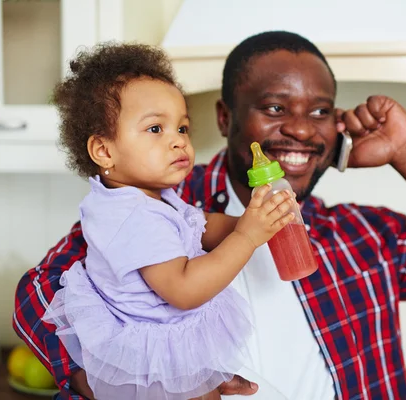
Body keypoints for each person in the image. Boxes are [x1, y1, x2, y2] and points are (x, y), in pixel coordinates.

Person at [13, 31, 406, 400]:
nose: (302, 130)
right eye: (276, 109)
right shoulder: (154, 200)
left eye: (322, 111)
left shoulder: (359, 234)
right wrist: (126, 388)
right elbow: (37, 294)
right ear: (225, 118)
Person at [37, 43, 296, 400]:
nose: (178, 141)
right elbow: (185, 290)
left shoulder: (144, 198)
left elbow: (200, 227)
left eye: (183, 128)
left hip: (162, 347)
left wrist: (250, 220)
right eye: (156, 129)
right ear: (104, 150)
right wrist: (249, 237)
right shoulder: (133, 219)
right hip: (152, 361)